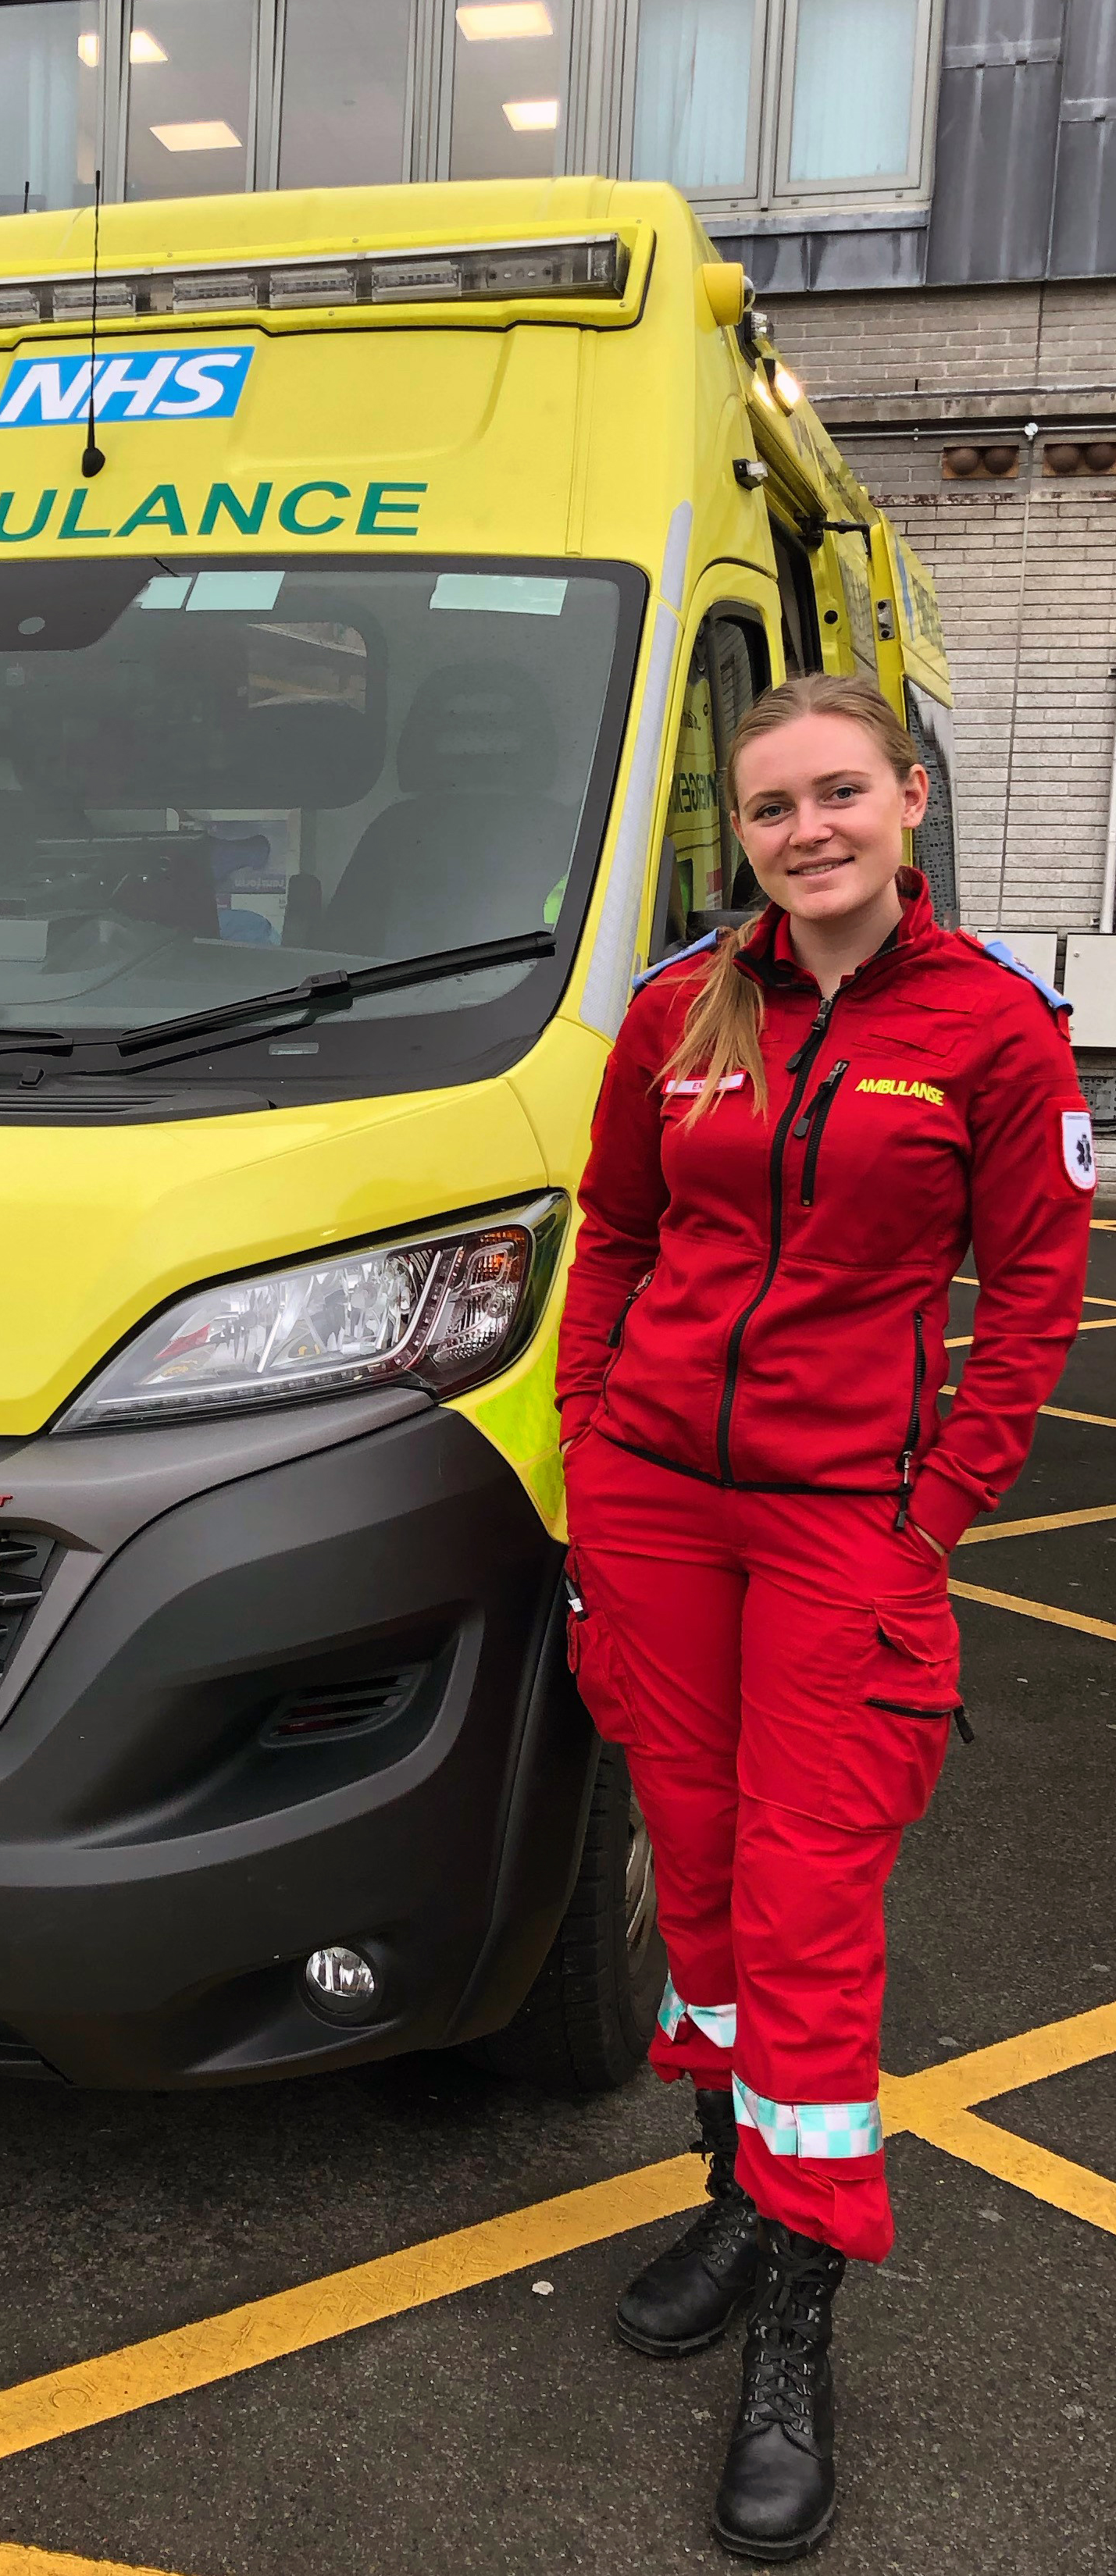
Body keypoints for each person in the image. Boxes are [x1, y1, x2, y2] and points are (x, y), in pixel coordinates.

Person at [556, 672, 1094, 2562]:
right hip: (652, 1507)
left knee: (803, 1910)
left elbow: (1033, 1299)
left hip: (833, 1530)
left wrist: (929, 1508)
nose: (806, 831)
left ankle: (795, 2321)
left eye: (837, 794)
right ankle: (733, 2190)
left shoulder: (993, 1035)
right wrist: (586, 1439)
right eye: (771, 807)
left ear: (909, 799)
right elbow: (612, 1236)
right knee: (691, 1883)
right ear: (744, 835)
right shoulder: (672, 1014)